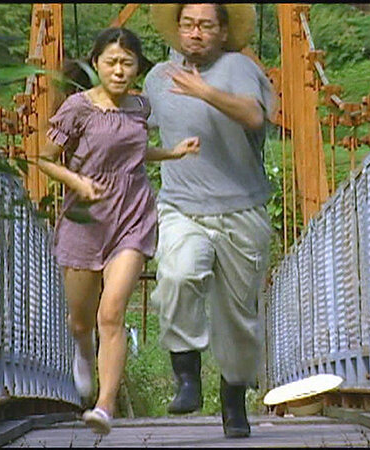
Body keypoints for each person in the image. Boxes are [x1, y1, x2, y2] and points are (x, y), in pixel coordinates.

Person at [36, 27, 201, 435]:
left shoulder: (139, 107)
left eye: (128, 63)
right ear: (96, 64)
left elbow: (133, 153)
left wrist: (172, 153)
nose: (119, 70)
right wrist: (76, 182)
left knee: (111, 312)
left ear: (137, 68)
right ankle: (82, 351)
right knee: (81, 321)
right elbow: (44, 158)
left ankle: (105, 406)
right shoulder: (77, 108)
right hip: (86, 219)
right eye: (111, 62)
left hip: (132, 215)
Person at [144, 4, 275, 439]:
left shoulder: (239, 68)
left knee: (237, 320)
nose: (195, 33)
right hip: (181, 206)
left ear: (222, 31)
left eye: (205, 25)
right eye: (187, 24)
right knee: (177, 275)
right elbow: (134, 130)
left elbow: (253, 116)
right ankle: (187, 376)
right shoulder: (157, 78)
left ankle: (233, 400)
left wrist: (204, 92)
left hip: (241, 209)